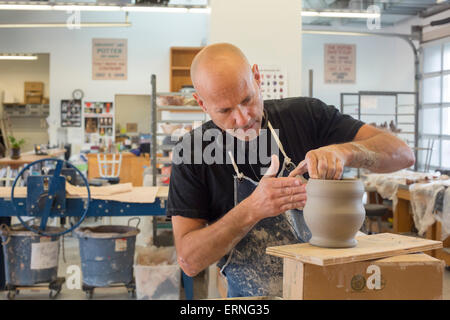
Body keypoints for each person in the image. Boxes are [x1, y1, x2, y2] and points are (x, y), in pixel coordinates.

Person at [166, 43, 415, 297]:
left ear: (257, 77)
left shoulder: (307, 115)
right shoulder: (193, 152)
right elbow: (189, 262)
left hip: (330, 288)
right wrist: (252, 209)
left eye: (247, 100)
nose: (242, 119)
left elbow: (403, 154)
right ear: (202, 104)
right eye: (225, 111)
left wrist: (345, 152)